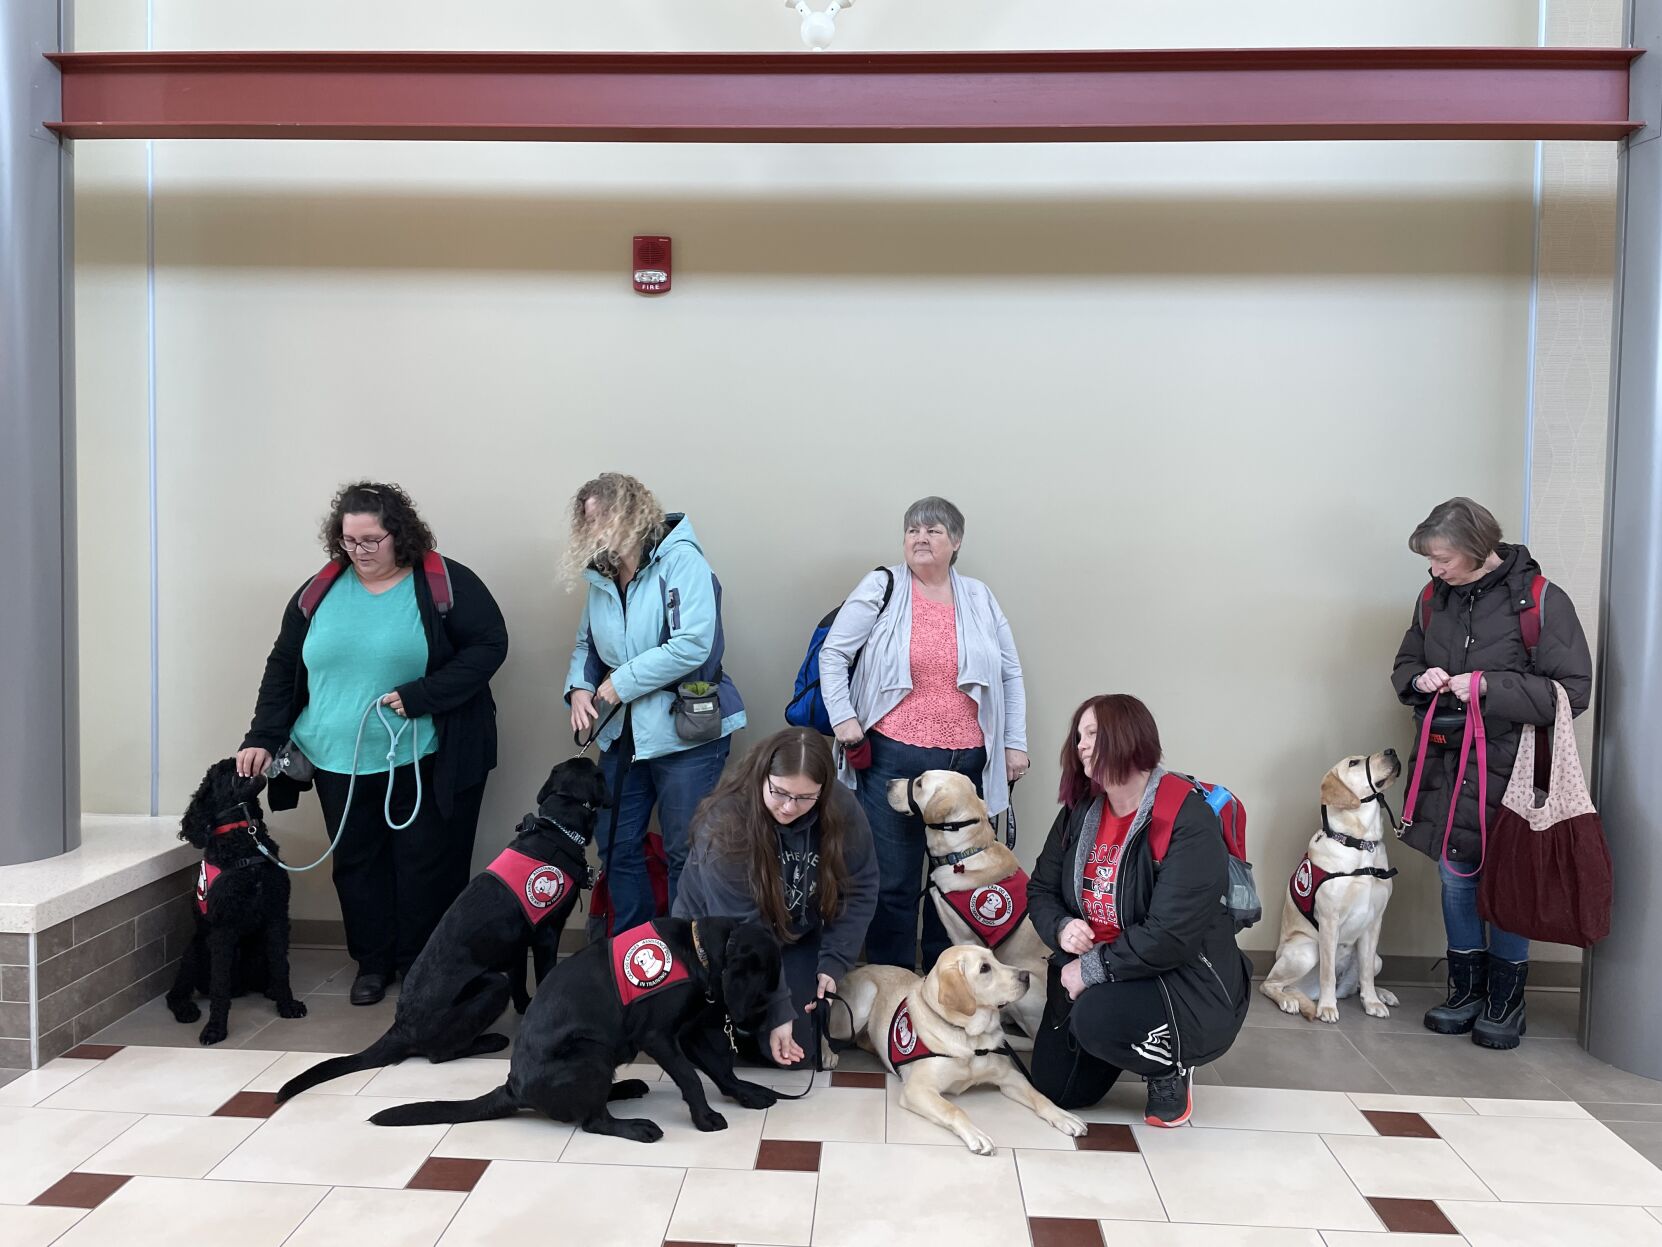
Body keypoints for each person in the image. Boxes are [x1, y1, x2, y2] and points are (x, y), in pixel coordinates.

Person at [237, 481, 508, 1005]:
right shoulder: (318, 591)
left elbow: (490, 645)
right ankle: (373, 963)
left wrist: (425, 695)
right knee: (357, 864)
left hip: (421, 752)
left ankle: (422, 965)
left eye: (370, 540)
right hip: (338, 758)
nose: (358, 552)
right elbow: (284, 667)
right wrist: (263, 737)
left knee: (425, 861)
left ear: (398, 535)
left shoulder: (442, 583)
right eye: (348, 541)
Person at [1391, 496, 1591, 1048]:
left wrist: (1487, 686)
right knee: (1456, 876)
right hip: (1447, 758)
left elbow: (1572, 694)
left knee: (1509, 876)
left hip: (1514, 764)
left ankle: (1506, 1002)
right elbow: (1404, 663)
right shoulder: (1434, 599)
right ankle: (1464, 993)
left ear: (1479, 552)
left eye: (1443, 559)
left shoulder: (1543, 601)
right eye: (1430, 560)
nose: (1434, 570)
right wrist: (1421, 679)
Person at [818, 496, 1028, 971]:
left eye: (934, 530)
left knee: (956, 880)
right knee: (893, 881)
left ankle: (944, 977)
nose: (921, 538)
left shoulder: (978, 597)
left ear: (956, 542)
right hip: (895, 759)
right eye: (912, 530)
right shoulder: (884, 587)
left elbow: (1009, 673)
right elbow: (832, 656)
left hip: (968, 765)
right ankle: (895, 984)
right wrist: (846, 723)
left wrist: (1014, 742)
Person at [1026, 694, 1250, 1127]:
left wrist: (1088, 972)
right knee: (1059, 1091)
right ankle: (1119, 1030)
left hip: (1182, 980)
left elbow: (1170, 936)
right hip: (1106, 968)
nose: (1081, 746)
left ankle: (1170, 1063)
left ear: (1128, 736)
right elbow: (1040, 888)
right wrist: (1061, 926)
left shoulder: (1187, 816)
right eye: (1078, 737)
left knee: (1095, 1018)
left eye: (1092, 734)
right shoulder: (1080, 811)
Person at [562, 473, 745, 931]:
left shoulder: (683, 563)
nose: (598, 529)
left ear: (635, 512)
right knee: (614, 843)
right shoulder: (602, 575)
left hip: (685, 731)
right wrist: (579, 689)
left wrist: (620, 683)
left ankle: (683, 956)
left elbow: (692, 645)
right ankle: (630, 950)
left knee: (687, 849)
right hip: (624, 735)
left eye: (606, 517)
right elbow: (587, 643)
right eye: (590, 521)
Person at [674, 728, 878, 1067]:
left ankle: (751, 1025)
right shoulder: (724, 819)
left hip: (793, 935)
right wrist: (778, 1008)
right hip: (720, 941)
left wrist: (834, 962)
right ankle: (740, 1023)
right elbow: (745, 930)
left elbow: (861, 888)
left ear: (823, 791)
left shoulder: (842, 807)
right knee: (703, 1050)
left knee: (796, 1053)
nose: (788, 807)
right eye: (780, 792)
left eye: (804, 798)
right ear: (762, 777)